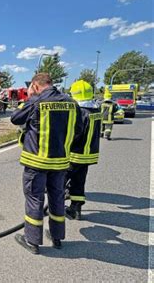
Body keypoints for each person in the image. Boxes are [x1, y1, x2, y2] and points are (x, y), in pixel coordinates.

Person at [10, 73, 82, 254]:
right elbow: (78, 130)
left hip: (36, 162)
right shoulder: (72, 103)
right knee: (57, 198)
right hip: (60, 163)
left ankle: (32, 241)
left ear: (35, 85)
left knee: (35, 198)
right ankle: (57, 238)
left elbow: (15, 118)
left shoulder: (36, 102)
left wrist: (30, 97)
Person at [66, 80, 102, 220]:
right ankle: (76, 208)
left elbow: (75, 133)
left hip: (76, 153)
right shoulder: (96, 109)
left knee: (60, 180)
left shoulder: (80, 112)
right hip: (90, 154)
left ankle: (54, 208)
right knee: (79, 181)